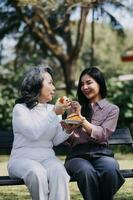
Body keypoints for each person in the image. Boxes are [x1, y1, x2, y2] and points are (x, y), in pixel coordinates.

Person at [7, 64, 74, 200]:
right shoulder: (20, 109)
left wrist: (68, 129)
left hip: (47, 159)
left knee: (60, 172)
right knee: (37, 172)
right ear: (37, 84)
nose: (54, 88)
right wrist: (54, 112)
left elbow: (54, 140)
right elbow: (33, 133)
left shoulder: (53, 109)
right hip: (21, 160)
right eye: (50, 83)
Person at [64, 67, 125, 200]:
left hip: (102, 154)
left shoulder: (112, 109)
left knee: (111, 169)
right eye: (81, 84)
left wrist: (81, 120)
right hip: (76, 156)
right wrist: (68, 125)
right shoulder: (74, 107)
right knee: (86, 172)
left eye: (89, 82)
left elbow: (103, 135)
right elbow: (67, 139)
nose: (84, 87)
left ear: (99, 83)